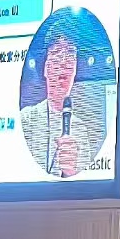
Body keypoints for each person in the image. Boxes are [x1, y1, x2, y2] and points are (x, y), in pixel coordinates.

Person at [19, 16, 107, 178]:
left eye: (71, 54)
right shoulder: (27, 119)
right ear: (45, 68)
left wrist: (71, 172)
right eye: (57, 53)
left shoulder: (80, 130)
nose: (65, 63)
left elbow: (85, 186)